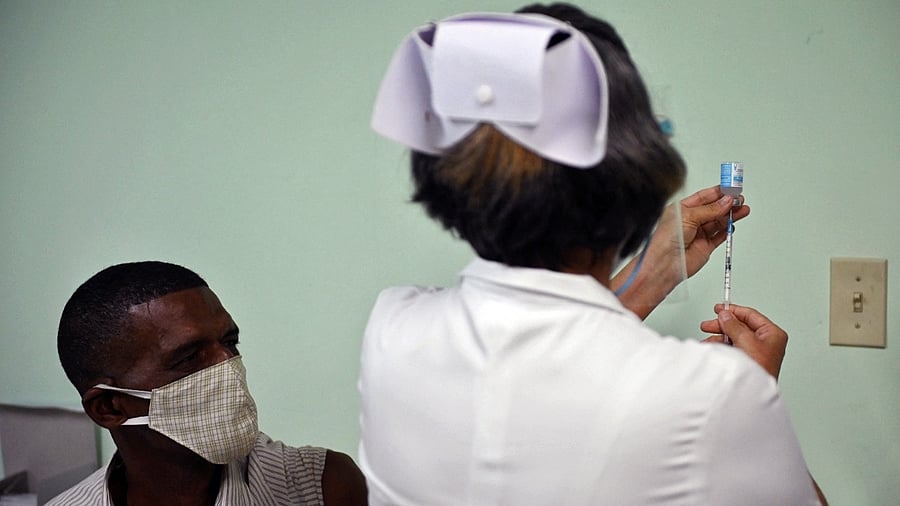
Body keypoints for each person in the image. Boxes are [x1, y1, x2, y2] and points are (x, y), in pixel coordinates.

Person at [359, 3, 826, 505]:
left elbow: (541, 365)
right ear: (637, 173)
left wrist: (649, 276)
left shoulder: (392, 331)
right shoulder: (713, 398)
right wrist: (754, 399)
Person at [48, 261, 367, 506]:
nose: (227, 365)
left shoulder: (320, 488)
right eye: (188, 357)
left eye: (230, 342)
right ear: (109, 408)